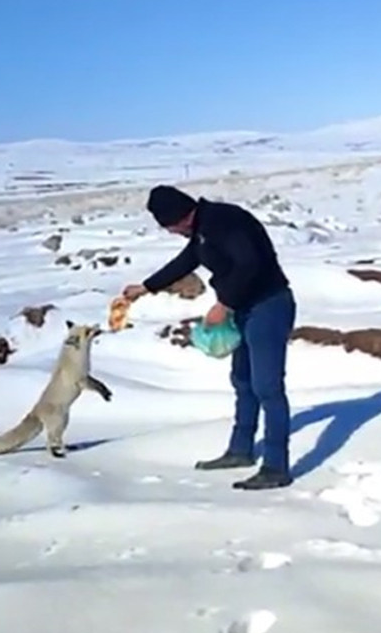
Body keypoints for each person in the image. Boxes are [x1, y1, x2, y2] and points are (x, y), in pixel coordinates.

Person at [122, 185, 297, 490]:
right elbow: (185, 262)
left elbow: (249, 263)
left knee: (267, 387)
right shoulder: (202, 229)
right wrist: (146, 287)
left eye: (169, 227)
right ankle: (240, 451)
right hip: (243, 309)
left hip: (268, 305)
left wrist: (224, 303)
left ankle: (275, 466)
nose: (171, 233)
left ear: (180, 216)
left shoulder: (224, 221)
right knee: (243, 382)